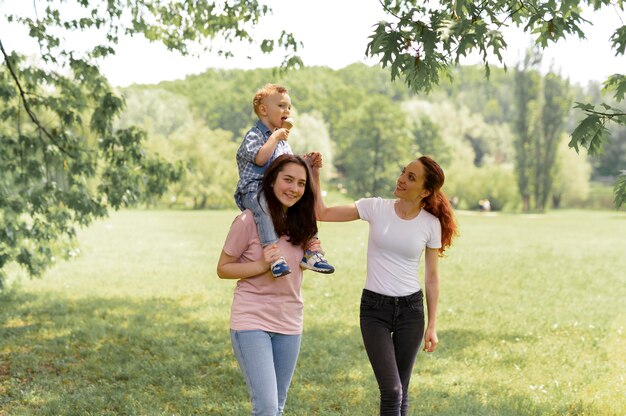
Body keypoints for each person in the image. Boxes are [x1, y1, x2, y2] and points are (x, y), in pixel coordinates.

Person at [312, 155, 458, 416]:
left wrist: (433, 325)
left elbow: (432, 277)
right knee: (391, 390)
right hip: (374, 310)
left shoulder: (430, 224)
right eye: (403, 172)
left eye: (411, 177)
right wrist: (314, 173)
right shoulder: (375, 208)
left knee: (401, 390)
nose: (401, 179)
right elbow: (322, 212)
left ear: (425, 191)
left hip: (411, 312)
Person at [217, 154, 321, 415]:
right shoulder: (248, 221)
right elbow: (223, 268)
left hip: (290, 321)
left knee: (278, 405)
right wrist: (262, 266)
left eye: (300, 183)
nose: (294, 189)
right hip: (252, 320)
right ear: (272, 180)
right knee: (266, 406)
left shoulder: (303, 224)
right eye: (288, 179)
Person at [234, 83, 334, 278]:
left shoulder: (282, 142)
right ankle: (273, 256)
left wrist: (308, 162)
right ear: (263, 110)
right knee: (263, 204)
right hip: (252, 191)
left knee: (304, 200)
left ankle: (312, 250)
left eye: (289, 107)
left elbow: (288, 167)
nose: (287, 111)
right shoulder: (254, 136)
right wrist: (275, 137)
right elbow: (261, 159)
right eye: (281, 106)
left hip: (274, 189)